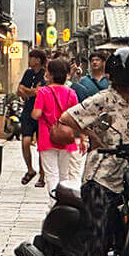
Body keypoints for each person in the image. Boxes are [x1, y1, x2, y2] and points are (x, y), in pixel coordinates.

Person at [53, 47, 129, 256]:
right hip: (101, 176)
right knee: (97, 230)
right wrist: (89, 136)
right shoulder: (103, 99)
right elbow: (67, 118)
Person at [32, 57, 83, 201]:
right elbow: (76, 117)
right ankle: (65, 205)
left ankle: (53, 206)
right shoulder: (71, 93)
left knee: (51, 175)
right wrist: (83, 138)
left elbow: (36, 115)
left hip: (47, 137)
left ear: (51, 74)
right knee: (64, 175)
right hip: (66, 138)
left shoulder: (43, 92)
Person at [16, 49, 47, 186]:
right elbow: (19, 90)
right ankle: (30, 169)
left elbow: (41, 93)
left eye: (32, 58)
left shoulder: (45, 74)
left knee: (41, 146)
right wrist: (32, 92)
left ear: (38, 60)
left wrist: (27, 91)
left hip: (41, 112)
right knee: (25, 142)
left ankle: (42, 175)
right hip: (28, 111)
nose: (30, 60)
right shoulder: (28, 73)